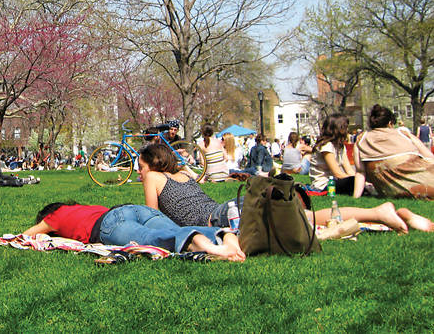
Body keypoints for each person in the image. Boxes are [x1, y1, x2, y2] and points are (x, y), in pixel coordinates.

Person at [139, 143, 434, 233]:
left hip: (221, 220)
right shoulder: (184, 176)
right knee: (309, 219)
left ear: (151, 164)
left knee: (305, 224)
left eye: (140, 167)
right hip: (230, 207)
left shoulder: (153, 178)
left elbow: (152, 219)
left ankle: (381, 216)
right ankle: (380, 215)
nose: (139, 174)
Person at [21, 200, 245, 262]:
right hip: (133, 209)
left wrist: (44, 232)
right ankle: (225, 235)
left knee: (151, 240)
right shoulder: (81, 208)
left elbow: (27, 235)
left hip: (109, 225)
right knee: (175, 228)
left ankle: (204, 246)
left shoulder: (54, 217)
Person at [353, 104, 434, 199]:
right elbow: (430, 157)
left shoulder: (361, 140)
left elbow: (360, 172)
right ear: (390, 123)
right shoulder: (402, 134)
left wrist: (355, 197)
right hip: (427, 185)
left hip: (392, 192)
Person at [309, 114, 356, 195]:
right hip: (323, 185)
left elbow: (349, 170)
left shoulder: (340, 146)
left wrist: (361, 180)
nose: (347, 130)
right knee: (354, 182)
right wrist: (355, 181)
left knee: (359, 180)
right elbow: (337, 173)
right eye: (346, 127)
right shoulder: (326, 146)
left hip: (335, 181)